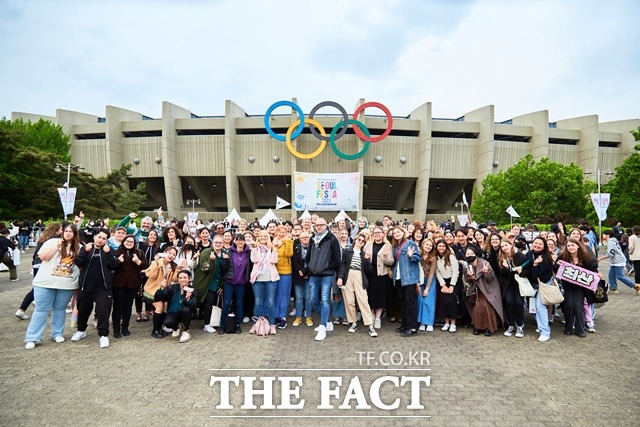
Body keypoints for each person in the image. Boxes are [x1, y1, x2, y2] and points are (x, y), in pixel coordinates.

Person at [24, 224, 80, 349]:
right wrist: (57, 246)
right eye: (66, 231)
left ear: (75, 234)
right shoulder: (52, 242)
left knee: (59, 308)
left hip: (67, 284)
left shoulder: (78, 247)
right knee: (41, 309)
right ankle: (33, 337)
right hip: (45, 282)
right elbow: (43, 257)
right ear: (62, 232)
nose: (68, 233)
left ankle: (57, 333)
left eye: (71, 231)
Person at [72, 228, 119, 348]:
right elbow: (78, 262)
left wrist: (108, 254)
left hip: (103, 288)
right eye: (99, 237)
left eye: (104, 238)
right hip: (86, 287)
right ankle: (81, 330)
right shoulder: (86, 248)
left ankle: (103, 335)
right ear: (94, 237)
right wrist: (85, 252)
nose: (101, 240)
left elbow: (114, 265)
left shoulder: (109, 250)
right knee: (83, 310)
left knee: (103, 312)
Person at [15, 222, 62, 320]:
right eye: (61, 229)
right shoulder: (55, 240)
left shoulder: (42, 239)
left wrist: (33, 264)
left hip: (37, 264)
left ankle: (23, 309)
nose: (62, 231)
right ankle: (27, 308)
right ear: (57, 230)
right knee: (44, 288)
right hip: (45, 265)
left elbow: (36, 253)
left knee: (36, 288)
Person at [307, 218, 342, 341]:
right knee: (312, 300)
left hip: (326, 274)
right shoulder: (312, 239)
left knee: (325, 300)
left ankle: (322, 327)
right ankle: (327, 322)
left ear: (326, 225)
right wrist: (309, 268)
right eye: (316, 225)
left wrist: (327, 267)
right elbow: (308, 257)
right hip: (314, 274)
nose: (319, 227)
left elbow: (337, 259)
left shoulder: (332, 239)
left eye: (321, 225)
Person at [336, 233, 377, 337]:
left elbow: (368, 271)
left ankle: (370, 325)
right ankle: (353, 322)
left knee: (363, 300)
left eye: (362, 241)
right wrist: (340, 277)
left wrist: (367, 260)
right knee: (349, 301)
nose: (360, 242)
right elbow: (342, 265)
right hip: (348, 275)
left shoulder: (364, 254)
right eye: (359, 239)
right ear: (355, 239)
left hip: (359, 276)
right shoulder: (347, 251)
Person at [558, 238, 597, 337]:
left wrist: (597, 275)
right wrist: (557, 265)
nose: (571, 247)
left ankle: (580, 329)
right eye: (568, 246)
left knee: (578, 305)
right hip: (568, 286)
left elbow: (593, 268)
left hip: (581, 287)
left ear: (578, 246)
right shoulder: (563, 257)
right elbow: (556, 270)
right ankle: (569, 327)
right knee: (569, 305)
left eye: (573, 245)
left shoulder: (586, 258)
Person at [112, 235, 148, 338]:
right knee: (118, 306)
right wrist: (118, 261)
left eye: (131, 242)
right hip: (119, 284)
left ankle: (125, 327)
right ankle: (116, 329)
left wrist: (138, 261)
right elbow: (111, 264)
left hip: (133, 284)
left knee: (128, 307)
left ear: (134, 243)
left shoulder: (139, 253)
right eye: (127, 241)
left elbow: (146, 265)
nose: (129, 243)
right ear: (123, 242)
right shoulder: (117, 252)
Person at [463, 246, 505, 336]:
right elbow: (466, 280)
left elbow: (491, 280)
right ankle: (478, 327)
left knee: (487, 307)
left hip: (488, 289)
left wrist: (486, 273)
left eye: (471, 253)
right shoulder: (466, 265)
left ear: (476, 254)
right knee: (478, 307)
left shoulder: (484, 263)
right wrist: (469, 277)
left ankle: (489, 328)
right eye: (467, 254)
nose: (469, 255)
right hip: (475, 290)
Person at [390, 226, 421, 337]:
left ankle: (412, 327)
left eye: (398, 232)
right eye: (394, 233)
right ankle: (404, 325)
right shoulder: (396, 246)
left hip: (409, 278)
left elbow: (418, 258)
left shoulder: (410, 243)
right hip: (399, 278)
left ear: (403, 232)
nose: (397, 234)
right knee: (402, 303)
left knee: (410, 304)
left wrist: (411, 255)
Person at [144, 246, 180, 338]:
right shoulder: (156, 262)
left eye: (174, 254)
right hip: (152, 290)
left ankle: (160, 328)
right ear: (164, 252)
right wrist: (157, 263)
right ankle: (155, 330)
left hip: (162, 292)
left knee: (165, 306)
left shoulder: (172, 266)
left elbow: (175, 280)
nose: (171, 255)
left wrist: (179, 269)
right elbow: (150, 274)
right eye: (170, 253)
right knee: (159, 307)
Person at [497, 239, 530, 338]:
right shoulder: (501, 258)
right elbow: (502, 274)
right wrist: (506, 267)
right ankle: (511, 325)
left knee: (519, 303)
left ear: (511, 245)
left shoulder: (521, 256)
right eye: (502, 246)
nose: (504, 248)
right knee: (509, 302)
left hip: (519, 283)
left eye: (506, 245)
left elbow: (528, 272)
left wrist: (520, 271)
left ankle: (519, 325)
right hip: (508, 284)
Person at [363, 226, 394, 329]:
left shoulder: (387, 245)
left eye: (379, 232)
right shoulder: (368, 245)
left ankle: (378, 318)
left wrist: (385, 257)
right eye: (375, 233)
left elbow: (391, 262)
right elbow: (363, 259)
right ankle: (371, 315)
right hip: (370, 273)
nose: (377, 234)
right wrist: (366, 259)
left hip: (382, 274)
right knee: (370, 295)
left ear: (383, 234)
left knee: (380, 297)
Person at [219, 234, 251, 334]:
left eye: (242, 240)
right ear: (235, 241)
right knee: (226, 303)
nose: (240, 242)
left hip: (241, 282)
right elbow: (224, 269)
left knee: (239, 304)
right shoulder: (229, 252)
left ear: (245, 241)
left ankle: (237, 325)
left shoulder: (248, 253)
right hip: (229, 281)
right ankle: (222, 325)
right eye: (238, 240)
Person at [155, 269, 198, 343]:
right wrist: (162, 288)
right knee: (167, 323)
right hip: (173, 312)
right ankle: (176, 327)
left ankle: (186, 331)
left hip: (185, 313)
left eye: (185, 277)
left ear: (189, 279)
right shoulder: (172, 287)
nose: (182, 280)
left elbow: (194, 306)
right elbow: (159, 298)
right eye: (180, 278)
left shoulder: (192, 290)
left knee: (186, 310)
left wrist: (188, 299)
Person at [250, 230, 279, 334]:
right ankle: (256, 324)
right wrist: (253, 248)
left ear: (268, 237)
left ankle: (272, 325)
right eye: (261, 236)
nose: (263, 238)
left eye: (265, 236)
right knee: (258, 302)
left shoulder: (271, 248)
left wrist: (275, 250)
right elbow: (254, 260)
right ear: (258, 237)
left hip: (270, 278)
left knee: (270, 302)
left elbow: (274, 261)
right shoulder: (255, 248)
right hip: (258, 278)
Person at [527, 237, 555, 342]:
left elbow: (537, 274)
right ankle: (541, 325)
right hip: (532, 285)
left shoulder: (546, 257)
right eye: (535, 243)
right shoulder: (529, 254)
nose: (537, 245)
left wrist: (535, 264)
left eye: (540, 244)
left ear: (544, 246)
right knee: (532, 308)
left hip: (543, 284)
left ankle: (545, 332)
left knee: (540, 306)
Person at [200, 235, 230, 333]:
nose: (218, 244)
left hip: (219, 282)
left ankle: (216, 322)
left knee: (215, 303)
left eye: (220, 243)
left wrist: (227, 261)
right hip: (208, 282)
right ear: (212, 243)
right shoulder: (206, 252)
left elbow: (226, 271)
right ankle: (207, 324)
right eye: (216, 242)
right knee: (209, 302)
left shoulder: (225, 253)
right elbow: (204, 268)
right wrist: (211, 261)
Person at [435, 239, 459, 333]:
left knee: (452, 302)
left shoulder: (451, 257)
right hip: (443, 282)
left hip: (452, 281)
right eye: (439, 246)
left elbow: (455, 271)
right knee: (444, 302)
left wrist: (452, 285)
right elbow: (437, 272)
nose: (441, 248)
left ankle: (453, 323)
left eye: (443, 246)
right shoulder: (436, 257)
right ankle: (446, 322)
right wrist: (443, 285)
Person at [272, 225, 293, 329]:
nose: (281, 234)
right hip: (274, 272)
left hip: (285, 272)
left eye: (283, 232)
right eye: (279, 232)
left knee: (283, 294)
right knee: (275, 295)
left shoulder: (289, 242)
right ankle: (276, 316)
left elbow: (289, 254)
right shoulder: (272, 243)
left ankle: (282, 316)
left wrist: (287, 241)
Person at [291, 231, 312, 327]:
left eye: (307, 237)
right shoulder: (296, 248)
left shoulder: (313, 247)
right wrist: (300, 270)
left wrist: (305, 271)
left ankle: (308, 316)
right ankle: (298, 317)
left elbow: (313, 261)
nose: (305, 239)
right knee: (299, 297)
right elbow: (293, 261)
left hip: (309, 274)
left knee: (308, 297)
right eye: (303, 237)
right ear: (300, 239)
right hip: (297, 275)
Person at [417, 239, 437, 332]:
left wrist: (427, 288)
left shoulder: (433, 258)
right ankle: (421, 322)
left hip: (430, 280)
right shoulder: (418, 255)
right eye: (427, 244)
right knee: (420, 300)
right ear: (423, 244)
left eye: (430, 245)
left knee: (428, 301)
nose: (428, 247)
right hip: (419, 280)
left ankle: (429, 323)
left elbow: (432, 274)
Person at [629, 225, 640, 291]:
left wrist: (630, 252)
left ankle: (638, 285)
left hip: (636, 256)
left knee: (637, 271)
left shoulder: (631, 237)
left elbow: (631, 247)